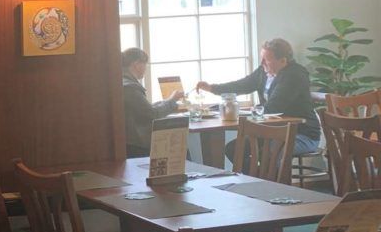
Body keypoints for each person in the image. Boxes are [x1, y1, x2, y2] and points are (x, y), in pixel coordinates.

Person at [196, 37, 321, 165]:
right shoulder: (263, 71)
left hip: (302, 134)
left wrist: (249, 111)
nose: (262, 63)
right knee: (234, 149)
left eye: (266, 60)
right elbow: (243, 85)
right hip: (273, 132)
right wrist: (212, 88)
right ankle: (255, 179)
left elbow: (274, 107)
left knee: (272, 151)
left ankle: (272, 184)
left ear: (283, 61)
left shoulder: (295, 75)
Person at [122, 47, 182, 158]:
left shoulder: (123, 82)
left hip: (131, 140)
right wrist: (172, 100)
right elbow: (152, 114)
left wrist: (167, 101)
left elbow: (145, 108)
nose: (145, 68)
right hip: (137, 143)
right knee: (180, 148)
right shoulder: (130, 88)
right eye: (145, 64)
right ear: (136, 64)